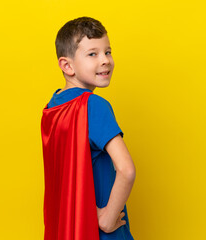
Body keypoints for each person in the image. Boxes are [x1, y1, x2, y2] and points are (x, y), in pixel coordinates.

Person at [41, 16, 136, 240]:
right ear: (67, 65)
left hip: (69, 225)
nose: (105, 60)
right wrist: (107, 218)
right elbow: (127, 169)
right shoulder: (93, 105)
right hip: (100, 229)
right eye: (92, 54)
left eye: (108, 52)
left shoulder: (52, 108)